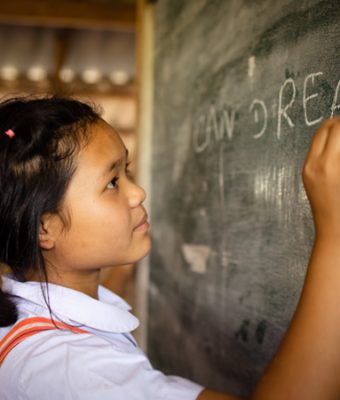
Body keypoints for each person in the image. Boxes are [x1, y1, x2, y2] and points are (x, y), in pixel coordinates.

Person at [0, 96, 339, 400]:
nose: (138, 193)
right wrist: (334, 233)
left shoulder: (33, 322)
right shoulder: (71, 370)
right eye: (113, 183)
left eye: (127, 170)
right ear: (46, 228)